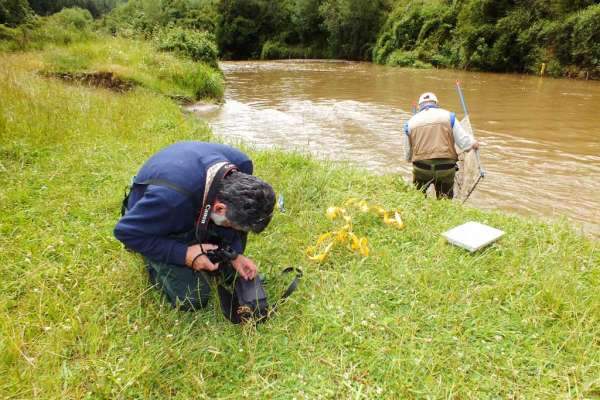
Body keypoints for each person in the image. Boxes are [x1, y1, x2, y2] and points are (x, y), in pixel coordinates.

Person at [114, 141, 275, 311]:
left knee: (233, 240)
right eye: (233, 225)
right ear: (220, 208)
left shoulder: (241, 165)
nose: (236, 231)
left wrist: (234, 254)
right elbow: (125, 232)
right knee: (193, 298)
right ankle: (154, 261)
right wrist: (184, 254)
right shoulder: (171, 201)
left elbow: (230, 219)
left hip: (196, 200)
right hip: (156, 219)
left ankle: (219, 251)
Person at [403, 92, 479, 199]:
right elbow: (464, 143)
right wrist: (473, 143)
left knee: (418, 198)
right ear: (436, 104)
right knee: (445, 200)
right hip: (446, 169)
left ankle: (421, 209)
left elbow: (407, 155)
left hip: (421, 169)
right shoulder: (449, 116)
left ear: (420, 106)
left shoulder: (409, 123)